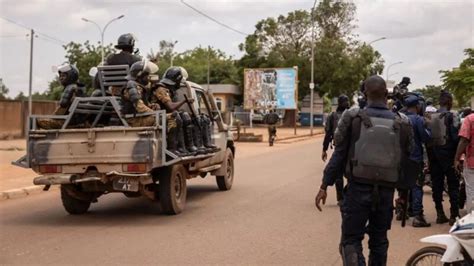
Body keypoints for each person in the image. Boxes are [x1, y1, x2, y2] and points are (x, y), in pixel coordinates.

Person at [315, 75, 413, 265]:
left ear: (364, 93)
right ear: (387, 94)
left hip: (357, 190)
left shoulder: (352, 117)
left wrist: (324, 185)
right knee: (379, 241)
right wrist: (403, 193)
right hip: (385, 192)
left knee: (350, 240)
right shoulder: (403, 122)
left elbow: (339, 155)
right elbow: (408, 160)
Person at [427, 91, 460, 225]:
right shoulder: (453, 116)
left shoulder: (429, 116)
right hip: (449, 155)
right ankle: (454, 215)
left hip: (433, 155)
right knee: (453, 184)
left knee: (437, 184)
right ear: (450, 102)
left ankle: (440, 213)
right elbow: (456, 137)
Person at [402, 95, 432, 227]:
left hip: (402, 158)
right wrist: (429, 130)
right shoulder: (418, 120)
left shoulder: (400, 118)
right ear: (417, 106)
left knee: (402, 185)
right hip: (415, 157)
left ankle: (401, 211)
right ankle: (418, 216)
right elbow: (425, 137)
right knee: (416, 186)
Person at [37, 64, 86, 129]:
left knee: (36, 121)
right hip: (78, 121)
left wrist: (52, 118)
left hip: (69, 122)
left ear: (71, 76)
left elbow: (62, 106)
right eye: (60, 76)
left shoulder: (70, 88)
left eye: (63, 76)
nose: (61, 78)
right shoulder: (80, 88)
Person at [322, 94, 350, 206]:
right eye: (344, 101)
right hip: (339, 149)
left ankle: (346, 195)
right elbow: (328, 134)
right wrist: (324, 149)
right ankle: (341, 198)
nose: (346, 103)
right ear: (339, 103)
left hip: (351, 150)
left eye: (347, 101)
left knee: (353, 176)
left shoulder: (352, 115)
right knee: (338, 177)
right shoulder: (333, 116)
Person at [455, 113, 474, 213]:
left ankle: (472, 218)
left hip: (472, 162)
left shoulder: (470, 119)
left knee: (471, 190)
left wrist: (457, 158)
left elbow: (464, 140)